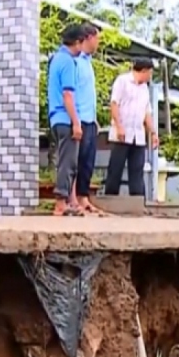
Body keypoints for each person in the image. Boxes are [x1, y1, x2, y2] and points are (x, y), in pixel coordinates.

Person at [104, 58, 158, 196]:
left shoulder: (144, 88)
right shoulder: (122, 81)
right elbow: (114, 104)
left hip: (138, 135)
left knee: (137, 171)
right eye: (150, 73)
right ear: (144, 71)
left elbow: (147, 112)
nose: (150, 76)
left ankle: (138, 201)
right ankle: (111, 199)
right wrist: (119, 126)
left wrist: (152, 132)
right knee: (116, 169)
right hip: (121, 134)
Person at [47, 24, 86, 216]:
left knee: (66, 159)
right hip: (65, 117)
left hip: (56, 118)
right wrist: (76, 122)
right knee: (68, 162)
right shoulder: (68, 62)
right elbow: (68, 95)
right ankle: (61, 201)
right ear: (77, 43)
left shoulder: (55, 59)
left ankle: (68, 201)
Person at [69, 24, 101, 213]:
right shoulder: (75, 61)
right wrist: (76, 120)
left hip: (90, 119)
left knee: (88, 160)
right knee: (77, 160)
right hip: (79, 118)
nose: (98, 43)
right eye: (96, 38)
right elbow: (72, 92)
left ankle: (83, 197)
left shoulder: (88, 61)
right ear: (88, 38)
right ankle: (73, 198)